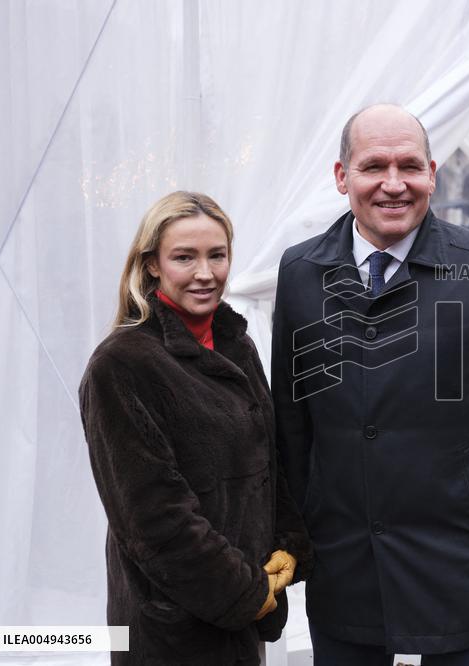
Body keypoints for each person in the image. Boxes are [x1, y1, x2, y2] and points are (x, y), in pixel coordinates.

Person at [271, 104, 469, 664]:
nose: (393, 184)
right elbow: (292, 421)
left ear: (432, 172)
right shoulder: (299, 273)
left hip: (460, 555)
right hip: (344, 558)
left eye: (409, 166)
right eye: (372, 166)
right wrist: (287, 535)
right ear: (342, 177)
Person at [79, 191, 311, 664]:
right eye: (185, 257)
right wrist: (246, 592)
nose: (206, 273)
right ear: (151, 266)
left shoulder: (234, 343)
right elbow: (155, 519)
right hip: (171, 627)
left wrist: (286, 547)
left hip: (243, 610)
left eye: (217, 255)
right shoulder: (120, 365)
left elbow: (270, 458)